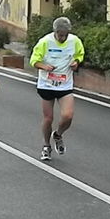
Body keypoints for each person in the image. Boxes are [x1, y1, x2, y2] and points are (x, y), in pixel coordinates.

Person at [29, 16, 84, 161]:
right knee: (48, 118)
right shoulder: (45, 42)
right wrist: (44, 66)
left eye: (65, 35)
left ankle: (58, 134)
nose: (62, 38)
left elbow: (79, 55)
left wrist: (76, 63)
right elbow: (34, 60)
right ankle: (46, 146)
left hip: (65, 84)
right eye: (60, 35)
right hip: (46, 84)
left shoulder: (75, 41)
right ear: (55, 32)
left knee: (68, 116)